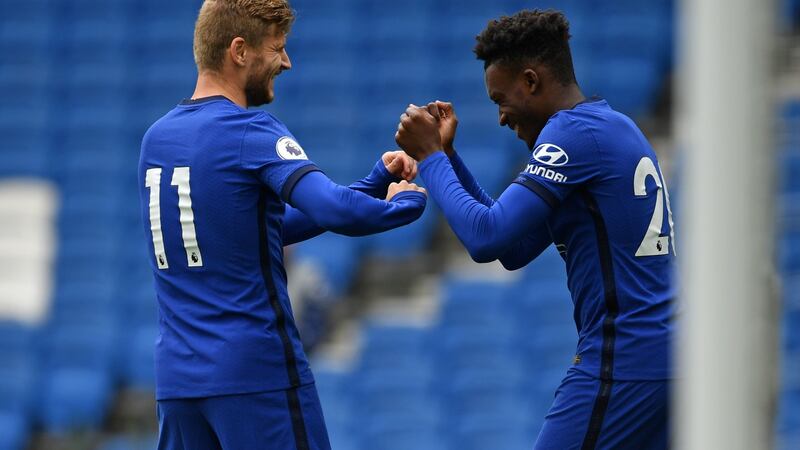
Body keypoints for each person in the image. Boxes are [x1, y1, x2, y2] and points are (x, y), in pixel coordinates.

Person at [137, 1, 427, 449]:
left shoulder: (157, 138)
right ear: (239, 50)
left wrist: (373, 184)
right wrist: (403, 205)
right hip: (256, 376)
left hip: (179, 385)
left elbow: (254, 231)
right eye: (277, 48)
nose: (286, 61)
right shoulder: (250, 130)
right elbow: (334, 210)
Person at [395, 9, 674, 450]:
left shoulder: (570, 135)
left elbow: (486, 239)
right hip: (661, 354)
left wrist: (429, 158)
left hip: (623, 357)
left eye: (500, 100)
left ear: (531, 80)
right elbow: (515, 247)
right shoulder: (611, 125)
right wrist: (447, 156)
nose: (502, 117)